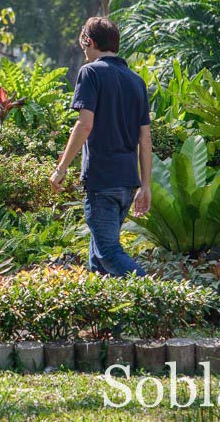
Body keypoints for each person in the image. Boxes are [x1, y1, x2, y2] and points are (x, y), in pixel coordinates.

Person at [50, 17, 151, 277]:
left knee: (107, 251)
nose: (83, 51)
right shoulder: (136, 81)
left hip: (102, 179)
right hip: (127, 181)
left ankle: (156, 293)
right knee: (97, 260)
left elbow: (84, 126)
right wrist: (146, 185)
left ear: (89, 41)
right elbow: (145, 138)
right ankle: (105, 315)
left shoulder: (90, 72)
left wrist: (61, 169)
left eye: (83, 44)